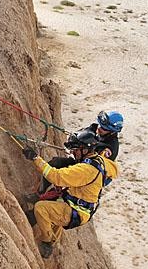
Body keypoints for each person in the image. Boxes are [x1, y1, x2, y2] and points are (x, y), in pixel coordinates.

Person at [22, 116, 120, 259]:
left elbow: (55, 176)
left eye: (75, 150)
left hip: (77, 210)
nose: (73, 153)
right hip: (79, 202)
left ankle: (47, 241)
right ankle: (47, 231)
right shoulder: (96, 159)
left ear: (85, 150)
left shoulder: (88, 167)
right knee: (56, 203)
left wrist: (35, 158)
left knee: (41, 208)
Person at [25, 110, 123, 203]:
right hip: (83, 161)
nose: (99, 128)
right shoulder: (97, 128)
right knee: (56, 163)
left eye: (104, 128)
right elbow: (83, 133)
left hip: (90, 174)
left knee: (65, 191)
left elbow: (97, 167)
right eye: (100, 124)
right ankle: (39, 193)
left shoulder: (110, 148)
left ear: (113, 131)